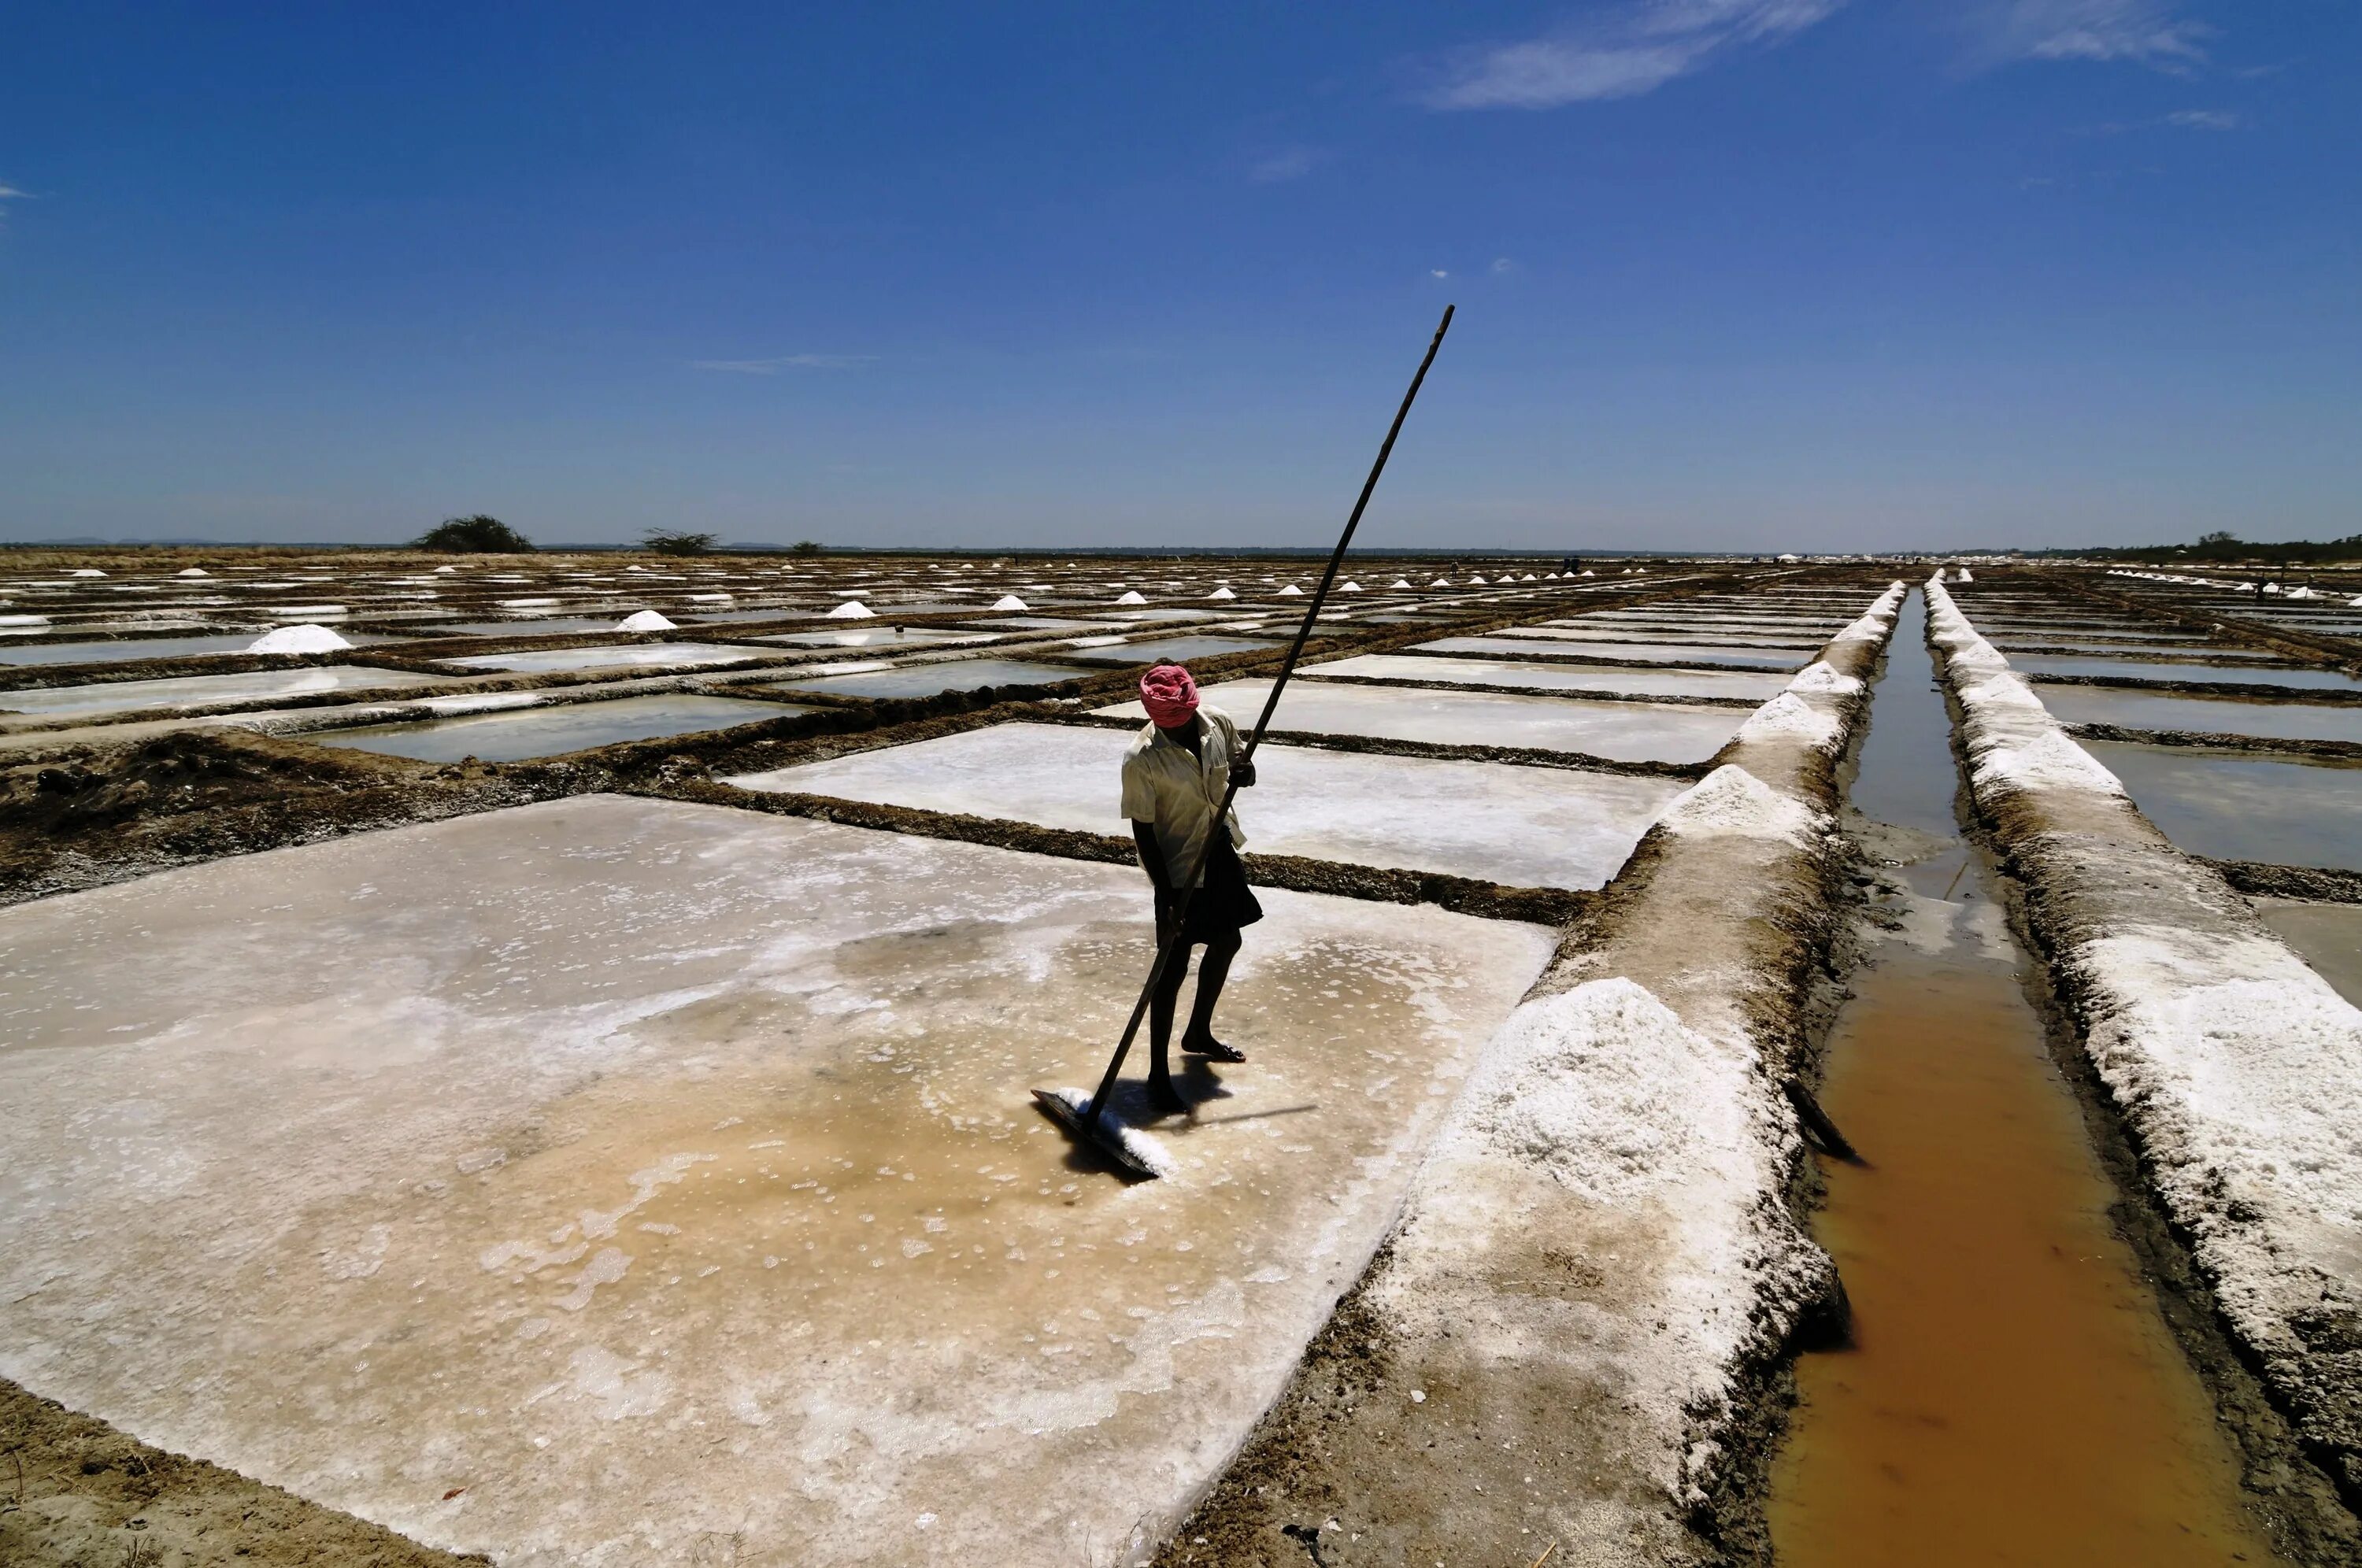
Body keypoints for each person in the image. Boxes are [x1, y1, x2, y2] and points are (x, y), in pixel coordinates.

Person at [1120, 662, 1261, 1114]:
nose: (1176, 723)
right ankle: (1158, 1073)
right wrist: (1166, 895)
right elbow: (1143, 832)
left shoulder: (1217, 723)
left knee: (1228, 940)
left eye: (1181, 714)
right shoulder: (1141, 757)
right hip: (1177, 865)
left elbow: (1244, 769)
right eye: (1167, 718)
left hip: (1217, 847)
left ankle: (1198, 1031)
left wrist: (1245, 774)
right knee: (1170, 971)